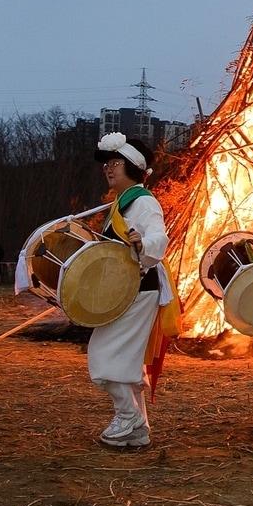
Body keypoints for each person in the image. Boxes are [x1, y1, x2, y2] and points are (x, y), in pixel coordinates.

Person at [88, 132, 180, 448]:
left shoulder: (144, 202)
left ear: (132, 167)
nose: (108, 169)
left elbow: (159, 240)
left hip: (140, 289)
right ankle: (138, 429)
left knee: (105, 355)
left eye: (115, 163)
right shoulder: (122, 203)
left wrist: (143, 243)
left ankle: (129, 418)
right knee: (124, 359)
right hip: (127, 290)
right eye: (107, 164)